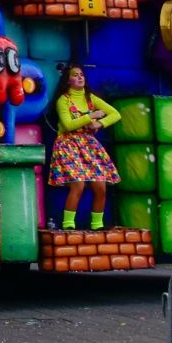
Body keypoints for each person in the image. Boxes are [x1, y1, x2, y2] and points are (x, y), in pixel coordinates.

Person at [48, 63, 121, 229]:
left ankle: (97, 224)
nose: (80, 77)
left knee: (100, 186)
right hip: (68, 144)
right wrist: (90, 116)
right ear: (68, 81)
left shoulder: (91, 98)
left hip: (88, 144)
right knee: (78, 184)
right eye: (75, 75)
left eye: (81, 74)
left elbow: (115, 114)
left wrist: (99, 123)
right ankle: (68, 224)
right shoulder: (63, 100)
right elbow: (68, 125)